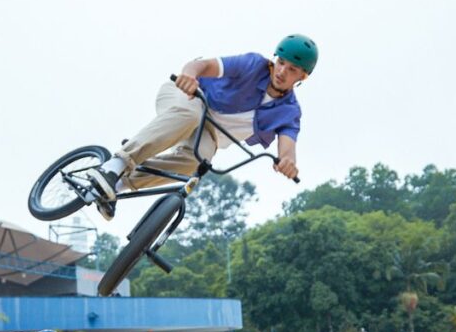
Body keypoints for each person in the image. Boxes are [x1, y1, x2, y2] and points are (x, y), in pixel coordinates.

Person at [86, 34, 318, 220]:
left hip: (207, 130)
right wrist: (189, 75)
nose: (281, 72)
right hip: (188, 96)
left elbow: (287, 150)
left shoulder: (289, 112)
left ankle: (116, 186)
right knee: (190, 115)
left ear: (303, 76)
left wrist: (287, 163)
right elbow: (201, 65)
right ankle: (114, 165)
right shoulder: (253, 64)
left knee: (195, 163)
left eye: (292, 70)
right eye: (281, 63)